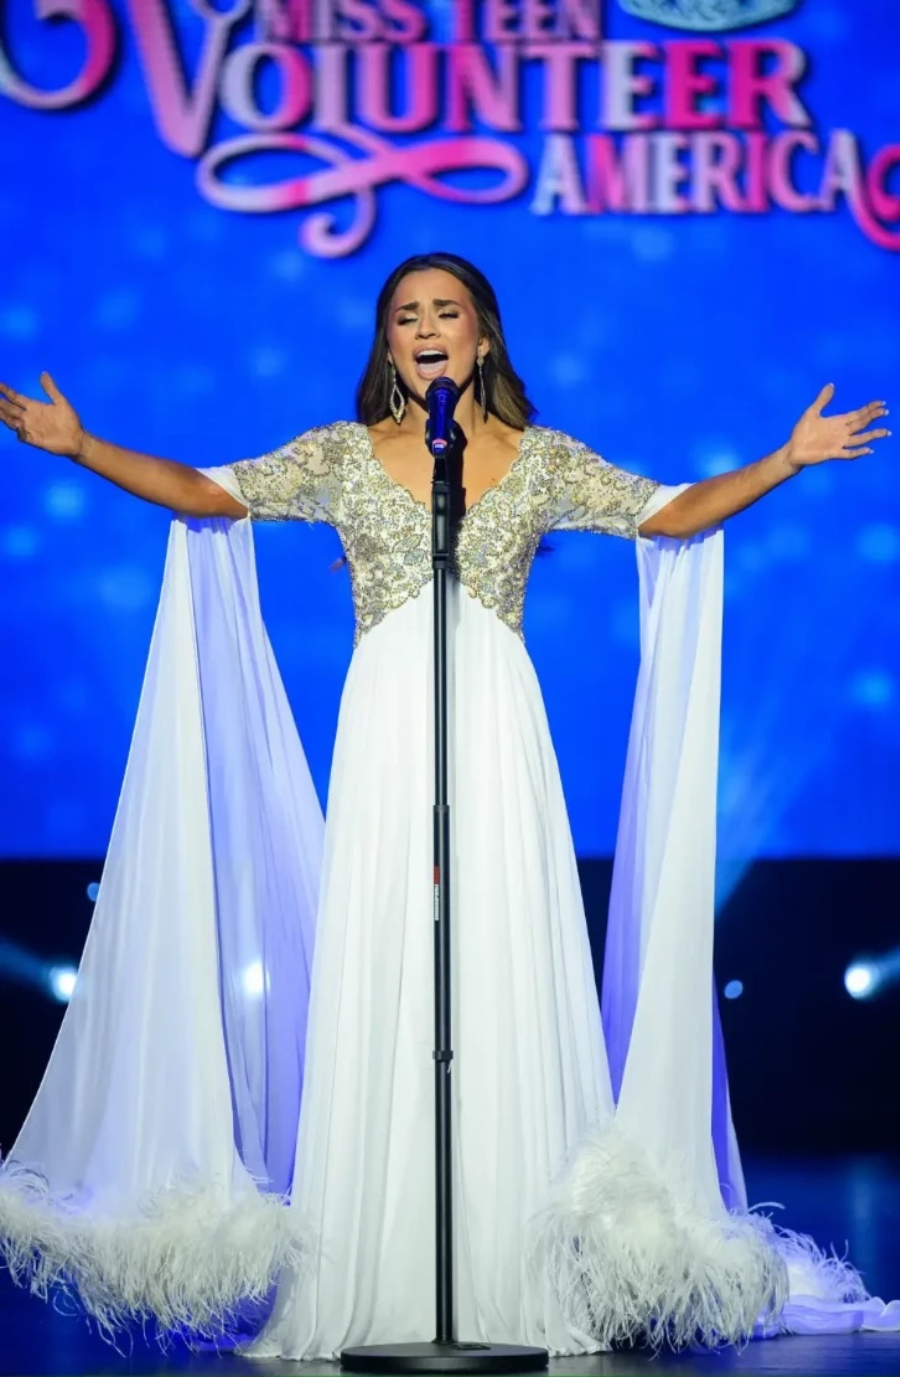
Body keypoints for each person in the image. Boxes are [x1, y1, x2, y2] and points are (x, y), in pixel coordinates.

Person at [0, 252, 893, 1360]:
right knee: (391, 972)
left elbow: (669, 516)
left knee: (501, 964)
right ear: (388, 345)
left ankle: (516, 1283)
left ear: (484, 339)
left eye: (447, 312)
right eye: (405, 315)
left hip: (497, 732)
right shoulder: (340, 456)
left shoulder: (541, 459)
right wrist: (82, 448)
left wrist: (787, 462)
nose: (426, 327)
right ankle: (375, 1279)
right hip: (387, 732)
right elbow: (207, 491)